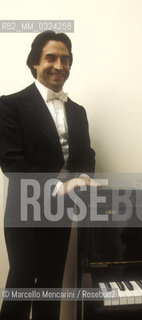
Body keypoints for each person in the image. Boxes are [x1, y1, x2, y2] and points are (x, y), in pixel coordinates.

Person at [0, 30, 96, 320]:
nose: (59, 65)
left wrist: (85, 179)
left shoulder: (77, 111)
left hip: (62, 211)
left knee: (52, 282)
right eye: (50, 57)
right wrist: (59, 186)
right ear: (34, 64)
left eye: (65, 59)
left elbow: (86, 157)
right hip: (25, 207)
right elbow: (11, 163)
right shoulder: (10, 105)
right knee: (23, 282)